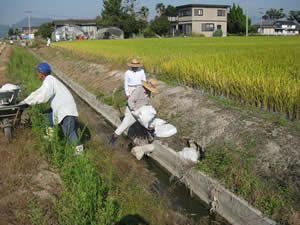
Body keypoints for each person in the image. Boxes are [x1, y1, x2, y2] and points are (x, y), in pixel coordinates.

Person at [22, 62, 84, 154]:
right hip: (64, 109)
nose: (37, 74)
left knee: (70, 133)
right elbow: (38, 92)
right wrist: (26, 101)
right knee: (45, 117)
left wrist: (29, 103)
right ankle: (49, 139)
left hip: (65, 110)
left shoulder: (49, 81)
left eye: (37, 72)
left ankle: (80, 156)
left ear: (41, 73)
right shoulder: (50, 80)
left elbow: (44, 96)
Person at [109, 79, 158, 144]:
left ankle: (150, 137)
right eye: (149, 88)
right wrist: (135, 110)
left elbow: (147, 103)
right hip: (131, 111)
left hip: (140, 112)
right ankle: (111, 141)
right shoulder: (139, 90)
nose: (149, 90)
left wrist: (149, 110)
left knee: (149, 122)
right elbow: (130, 101)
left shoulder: (149, 93)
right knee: (123, 127)